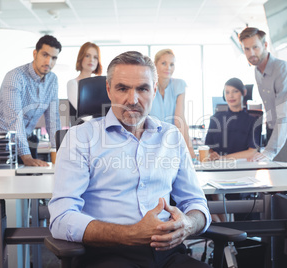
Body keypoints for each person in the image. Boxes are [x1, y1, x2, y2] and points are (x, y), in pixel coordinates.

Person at [48, 51, 211, 268]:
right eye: (122, 88)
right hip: (107, 254)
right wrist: (130, 234)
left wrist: (189, 224)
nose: (132, 100)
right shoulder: (80, 138)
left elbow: (196, 202)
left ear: (154, 89)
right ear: (108, 90)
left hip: (168, 253)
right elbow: (61, 218)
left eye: (142, 88)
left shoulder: (171, 137)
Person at [239, 27, 287, 170]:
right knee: (276, 181)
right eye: (246, 49)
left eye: (255, 47)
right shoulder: (257, 71)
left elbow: (284, 115)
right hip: (274, 130)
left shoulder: (282, 70)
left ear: (265, 45)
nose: (251, 53)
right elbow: (269, 107)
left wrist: (269, 151)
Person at [0, 35, 62, 167]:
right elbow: (14, 119)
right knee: (4, 185)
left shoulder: (52, 80)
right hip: (1, 143)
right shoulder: (15, 77)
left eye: (53, 58)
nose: (48, 62)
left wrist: (59, 153)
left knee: (32, 182)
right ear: (35, 54)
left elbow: (53, 120)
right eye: (45, 55)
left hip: (27, 141)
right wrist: (26, 156)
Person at [149, 49, 196, 159]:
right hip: (150, 143)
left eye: (172, 64)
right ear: (155, 65)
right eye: (164, 63)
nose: (168, 68)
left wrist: (190, 153)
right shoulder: (147, 86)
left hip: (172, 143)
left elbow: (179, 119)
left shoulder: (179, 85)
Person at [205, 77, 260, 160]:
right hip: (217, 166)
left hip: (242, 167)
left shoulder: (253, 121)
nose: (231, 96)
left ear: (244, 92)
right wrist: (212, 154)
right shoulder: (215, 118)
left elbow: (252, 151)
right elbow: (209, 148)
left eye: (235, 91)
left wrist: (223, 158)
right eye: (227, 92)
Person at [67, 42, 102, 111]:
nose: (91, 60)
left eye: (95, 57)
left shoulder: (100, 85)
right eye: (87, 56)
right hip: (84, 122)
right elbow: (84, 113)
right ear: (81, 57)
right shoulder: (73, 83)